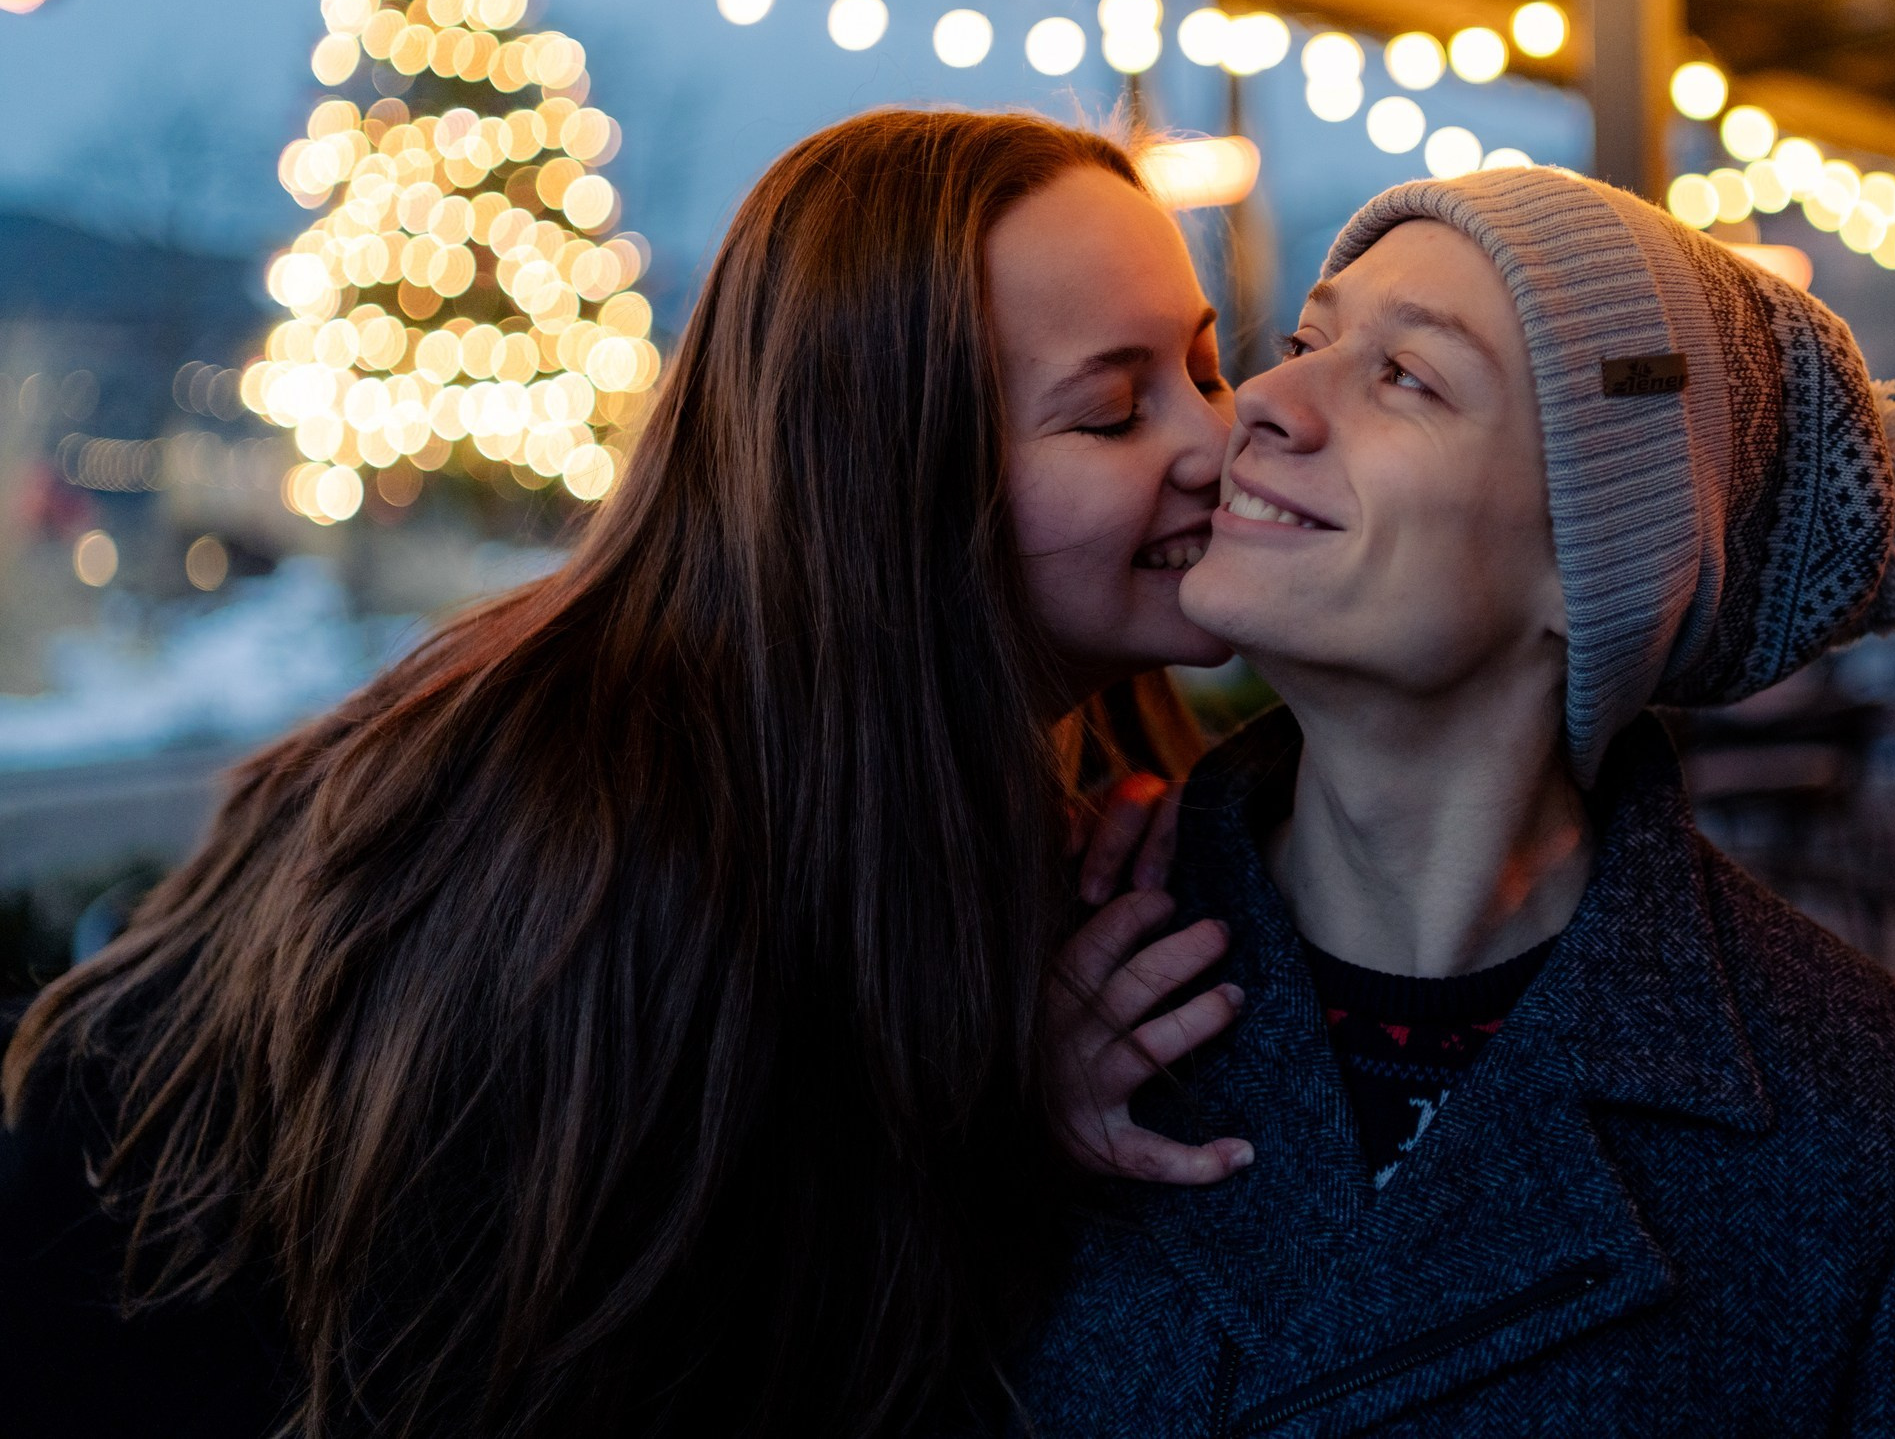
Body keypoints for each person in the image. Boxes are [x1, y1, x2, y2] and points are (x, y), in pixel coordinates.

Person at [1, 110, 1253, 1439]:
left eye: (1207, 366)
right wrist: (1000, 1133)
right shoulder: (608, 836)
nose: (1219, 443)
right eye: (1113, 411)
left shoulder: (1018, 751)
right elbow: (614, 1372)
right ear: (889, 473)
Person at [1022, 167, 1895, 1435]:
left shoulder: (1888, 1129)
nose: (1258, 404)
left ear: (1602, 567)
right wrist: (980, 1149)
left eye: (1406, 377)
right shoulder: (1041, 961)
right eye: (1306, 341)